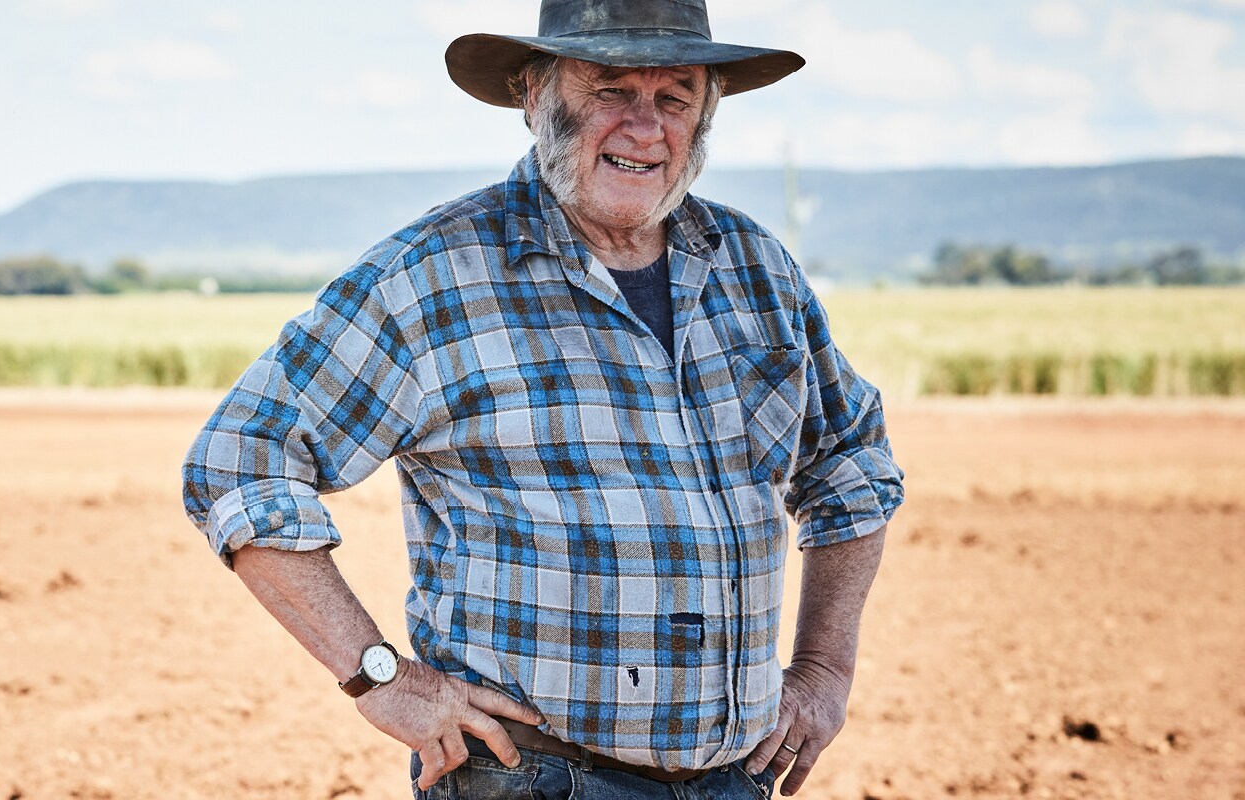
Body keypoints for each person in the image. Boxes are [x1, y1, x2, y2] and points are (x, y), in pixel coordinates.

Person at [180, 1, 904, 797]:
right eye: (610, 90)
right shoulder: (432, 276)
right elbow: (239, 462)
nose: (645, 127)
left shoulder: (755, 269)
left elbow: (850, 460)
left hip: (735, 777)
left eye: (675, 97)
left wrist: (826, 668)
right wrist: (376, 673)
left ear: (705, 114)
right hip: (530, 777)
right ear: (535, 94)